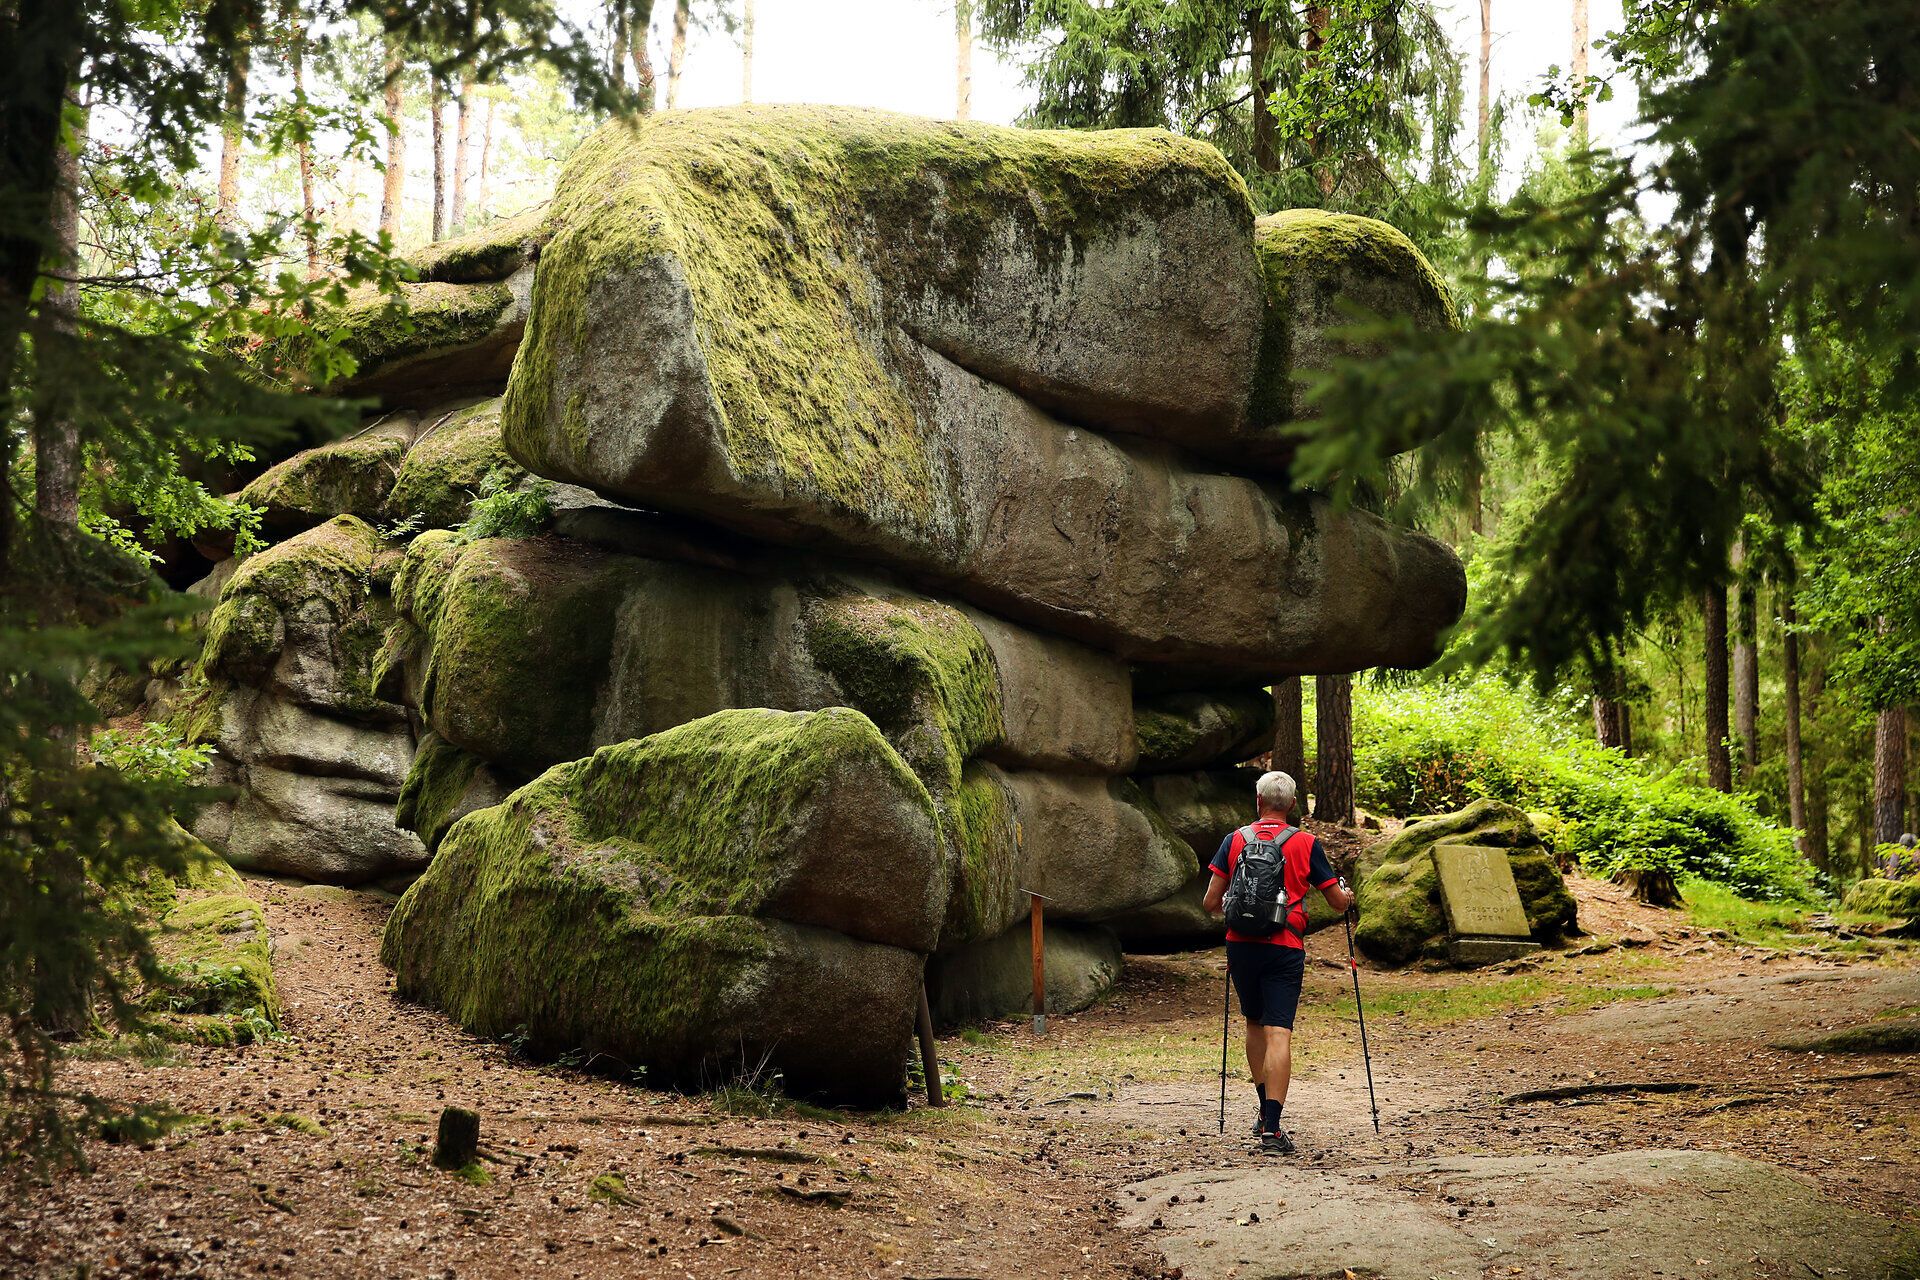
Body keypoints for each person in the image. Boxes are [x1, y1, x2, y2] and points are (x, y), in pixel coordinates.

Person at [1203, 769, 1353, 1156]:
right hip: (1284, 946)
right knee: (1279, 1032)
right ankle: (1272, 1128)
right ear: (1292, 805)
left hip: (1241, 946)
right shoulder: (1306, 843)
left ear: (1258, 802)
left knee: (1254, 1023)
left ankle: (1262, 1109)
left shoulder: (1235, 839)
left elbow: (1209, 903)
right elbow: (1337, 902)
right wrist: (1347, 896)